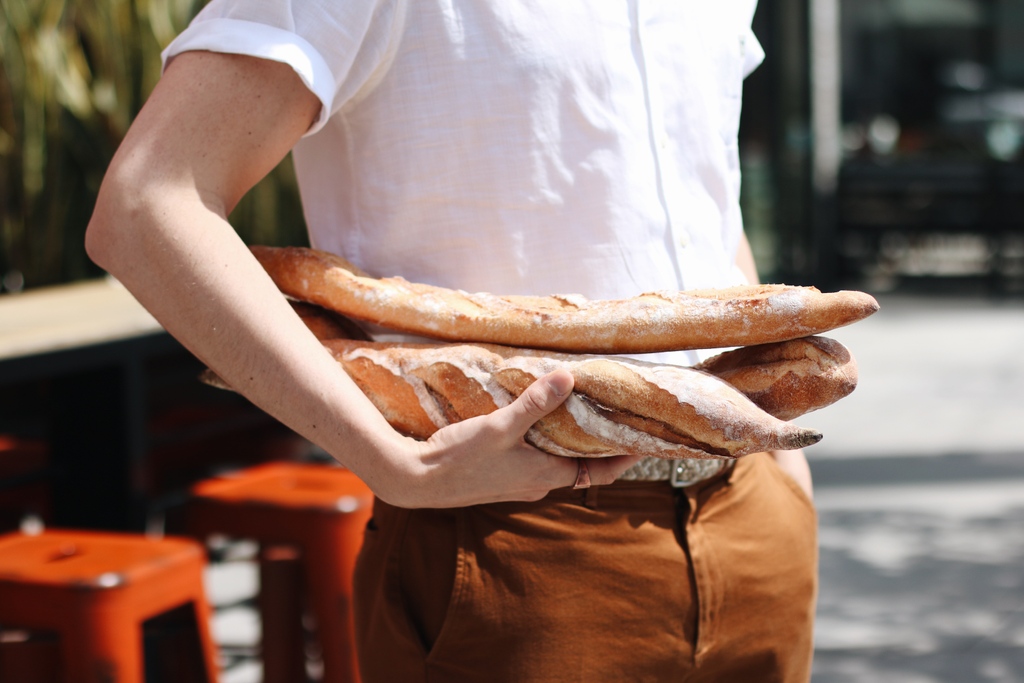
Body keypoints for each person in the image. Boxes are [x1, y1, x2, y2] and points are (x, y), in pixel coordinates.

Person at [86, 2, 818, 681]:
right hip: (510, 540)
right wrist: (392, 462)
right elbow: (147, 200)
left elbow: (703, 198)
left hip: (756, 521)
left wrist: (784, 470)